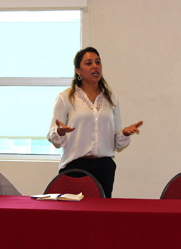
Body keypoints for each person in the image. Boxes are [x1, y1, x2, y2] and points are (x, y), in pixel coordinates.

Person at [46, 47, 142, 198]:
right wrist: (59, 132)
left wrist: (123, 133)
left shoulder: (110, 98)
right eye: (88, 63)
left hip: (104, 167)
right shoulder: (66, 98)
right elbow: (52, 136)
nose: (95, 66)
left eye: (98, 62)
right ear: (78, 70)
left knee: (101, 217)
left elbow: (117, 142)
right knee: (74, 217)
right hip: (75, 166)